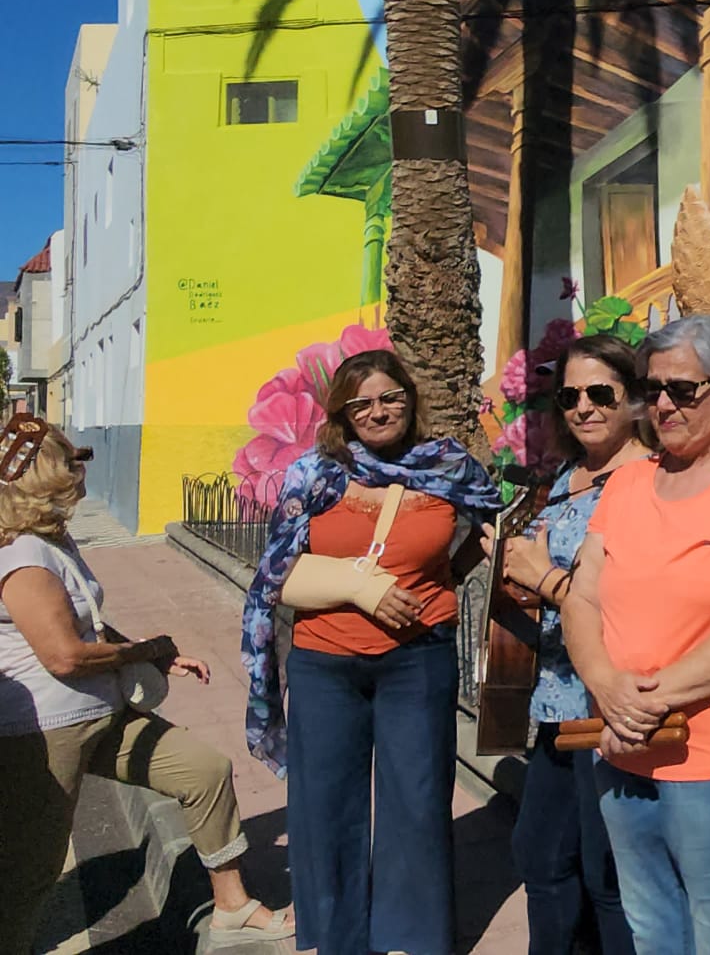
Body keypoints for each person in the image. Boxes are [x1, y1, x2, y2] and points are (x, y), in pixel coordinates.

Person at [0, 417, 294, 953]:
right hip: (44, 731)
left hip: (102, 714)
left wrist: (160, 655)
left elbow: (86, 623)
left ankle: (232, 908)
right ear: (46, 475)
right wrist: (143, 652)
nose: (81, 467)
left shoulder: (54, 539)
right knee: (30, 873)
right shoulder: (23, 555)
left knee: (205, 771)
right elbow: (65, 655)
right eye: (72, 458)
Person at [240, 348, 500, 955]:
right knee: (325, 804)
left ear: (410, 399)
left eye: (390, 398)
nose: (378, 412)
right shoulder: (314, 473)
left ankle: (413, 938)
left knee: (416, 800)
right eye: (361, 403)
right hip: (325, 663)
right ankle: (336, 938)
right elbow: (278, 571)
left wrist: (444, 579)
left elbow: (491, 527)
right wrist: (364, 588)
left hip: (420, 658)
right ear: (342, 412)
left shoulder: (450, 466)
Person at [560, 314, 710, 955]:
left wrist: (645, 700)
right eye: (650, 388)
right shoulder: (631, 482)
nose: (662, 404)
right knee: (653, 934)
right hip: (621, 745)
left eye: (683, 389)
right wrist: (607, 687)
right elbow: (581, 597)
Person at [481, 335, 651, 955]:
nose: (583, 407)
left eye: (601, 392)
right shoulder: (565, 478)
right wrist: (509, 566)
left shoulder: (646, 483)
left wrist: (541, 576)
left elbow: (636, 600)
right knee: (541, 853)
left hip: (607, 704)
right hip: (556, 701)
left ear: (635, 399)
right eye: (570, 395)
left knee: (606, 872)